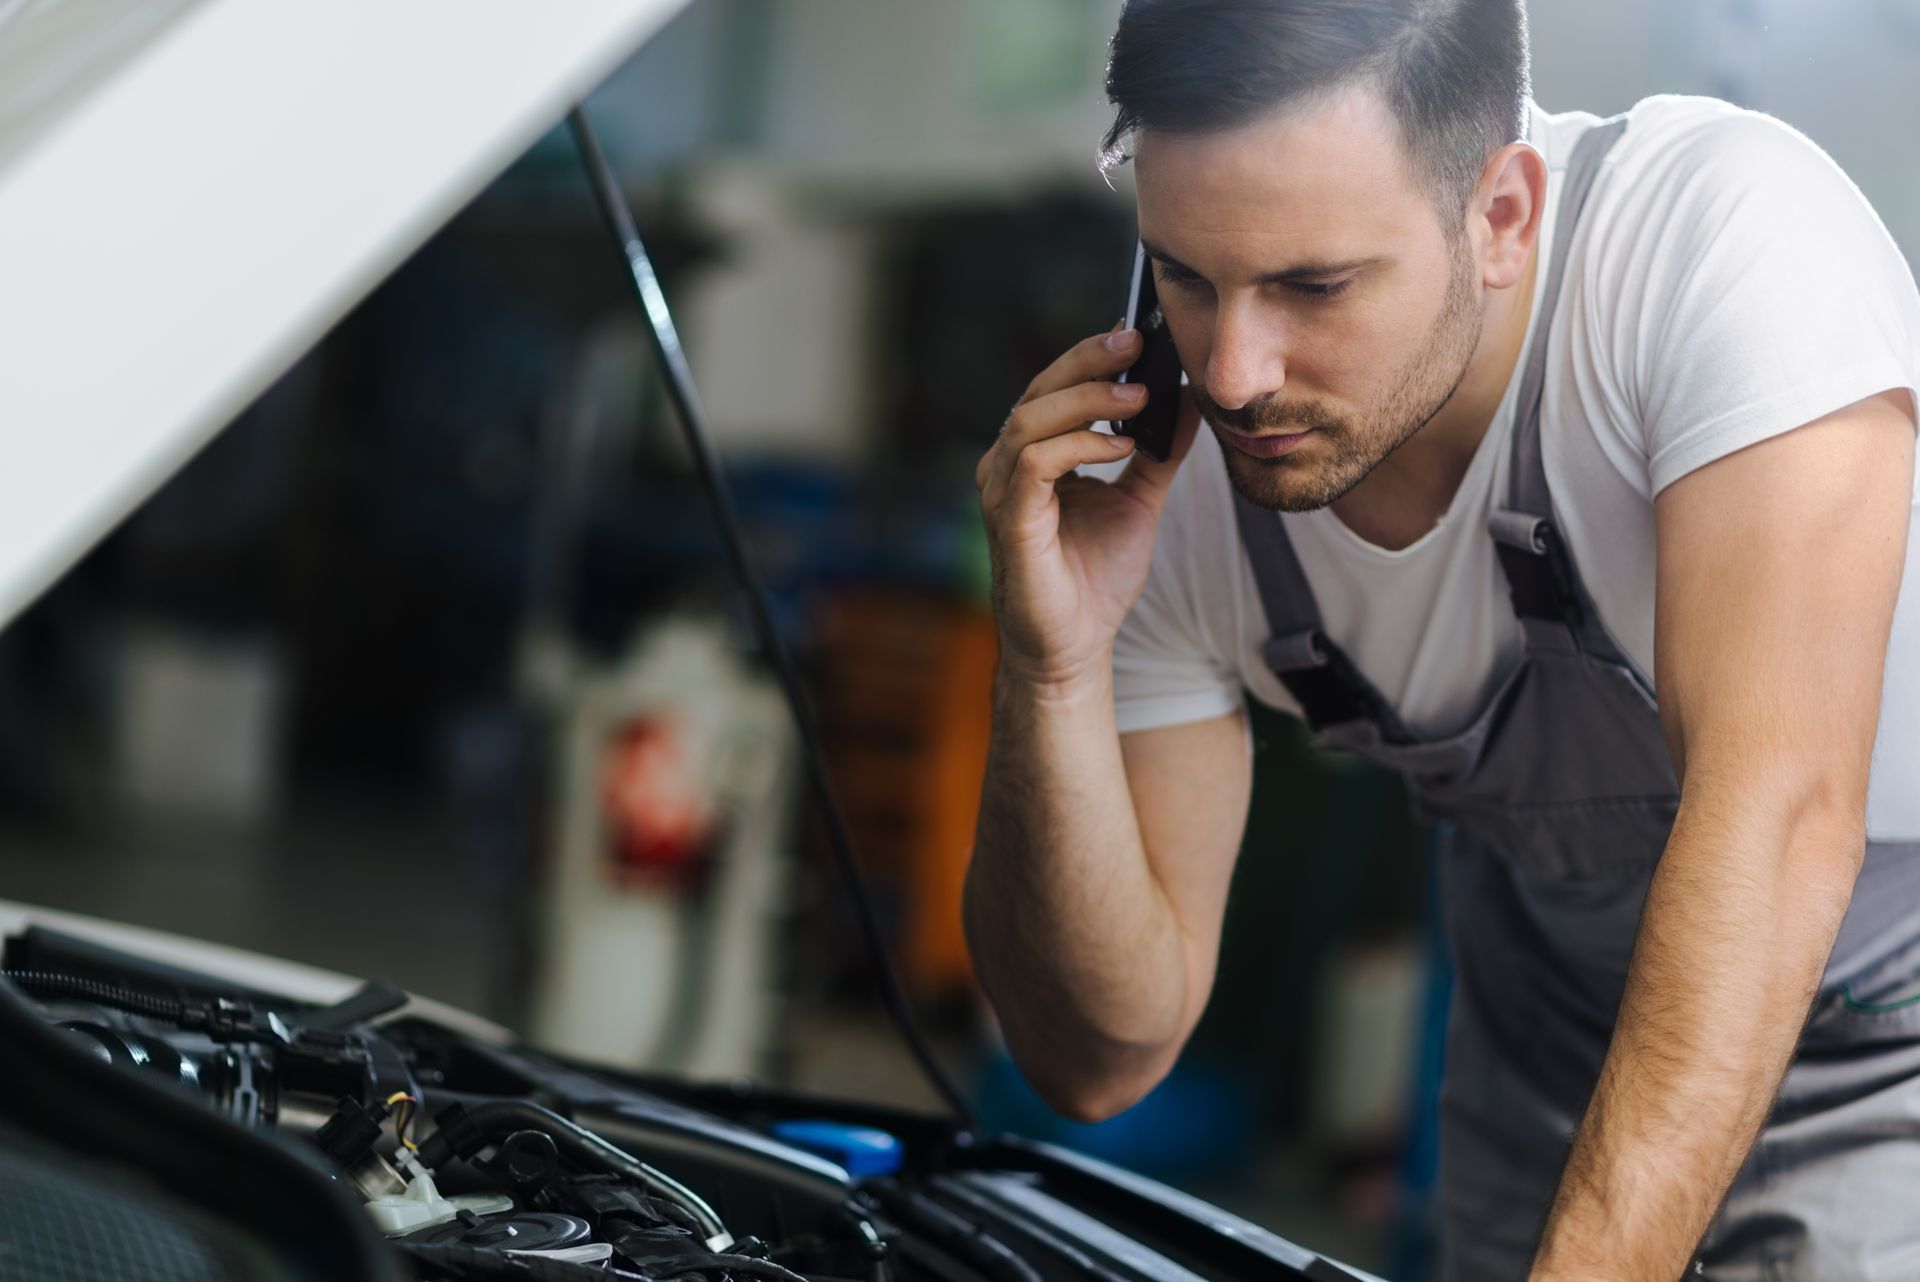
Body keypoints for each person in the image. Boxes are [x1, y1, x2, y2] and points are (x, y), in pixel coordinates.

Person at [963, 1, 1920, 1278]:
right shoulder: (1161, 486)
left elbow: (1781, 822)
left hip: (1887, 1037)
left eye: (1313, 284)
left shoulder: (1727, 247)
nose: (1235, 374)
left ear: (1502, 216)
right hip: (1552, 1034)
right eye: (1186, 276)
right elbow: (1096, 1059)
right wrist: (1053, 671)